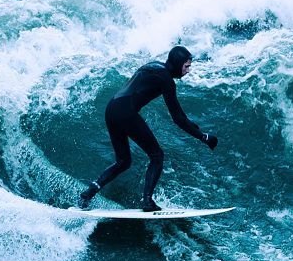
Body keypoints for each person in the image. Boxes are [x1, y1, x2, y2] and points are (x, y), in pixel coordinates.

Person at [78, 46, 218, 212]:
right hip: (126, 113)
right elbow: (178, 118)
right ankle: (147, 201)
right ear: (178, 63)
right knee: (157, 156)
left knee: (123, 162)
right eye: (186, 66)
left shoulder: (154, 66)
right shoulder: (166, 79)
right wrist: (203, 137)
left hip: (112, 109)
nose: (188, 70)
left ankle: (88, 193)